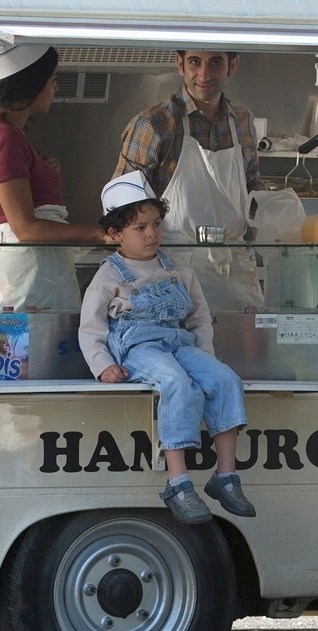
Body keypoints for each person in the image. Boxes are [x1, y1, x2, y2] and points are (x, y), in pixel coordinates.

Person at [79, 172, 257, 526]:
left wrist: (206, 356)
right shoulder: (109, 275)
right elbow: (91, 327)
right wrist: (102, 365)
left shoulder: (177, 269)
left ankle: (225, 477)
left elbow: (199, 318)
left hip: (180, 343)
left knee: (225, 380)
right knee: (177, 384)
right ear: (115, 234)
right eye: (140, 227)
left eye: (156, 224)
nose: (151, 234)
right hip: (138, 349)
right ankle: (178, 482)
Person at [0, 43, 108, 311]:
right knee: (30, 350)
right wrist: (99, 234)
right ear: (28, 83)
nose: (55, 88)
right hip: (27, 272)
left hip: (33, 270)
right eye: (52, 80)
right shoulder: (3, 135)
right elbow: (25, 228)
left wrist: (40, 169)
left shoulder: (1, 131)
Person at [113, 50, 264, 242]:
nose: (204, 75)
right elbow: (122, 202)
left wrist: (273, 212)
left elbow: (252, 182)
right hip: (171, 259)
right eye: (195, 62)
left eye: (215, 63)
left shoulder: (242, 119)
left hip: (232, 259)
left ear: (232, 66)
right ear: (180, 64)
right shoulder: (153, 123)